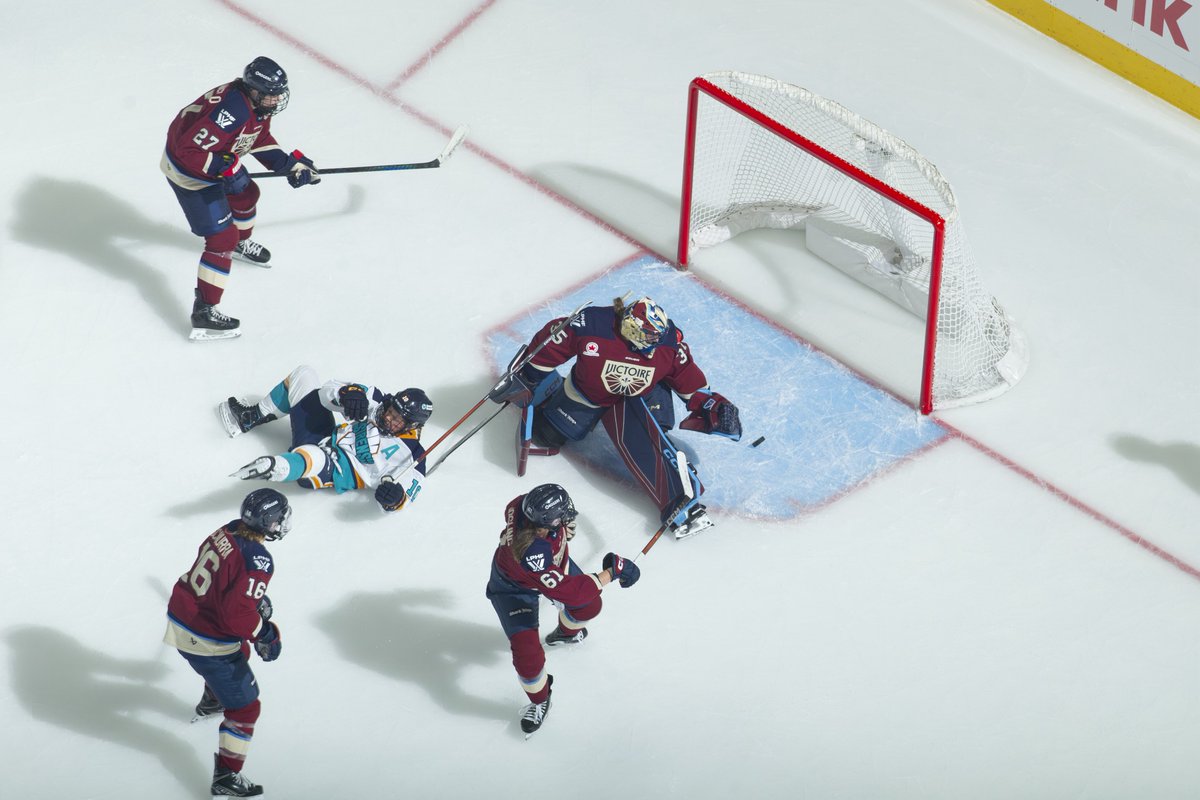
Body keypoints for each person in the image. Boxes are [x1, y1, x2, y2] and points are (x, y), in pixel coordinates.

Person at [489, 295, 742, 539]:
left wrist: (714, 406)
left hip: (642, 396)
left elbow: (686, 375)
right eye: (650, 335)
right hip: (587, 396)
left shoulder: (667, 341)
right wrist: (527, 376)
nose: (656, 341)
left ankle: (671, 480)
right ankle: (553, 399)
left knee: (650, 433)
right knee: (546, 436)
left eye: (658, 335)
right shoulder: (592, 323)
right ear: (632, 327)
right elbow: (551, 344)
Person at [161, 56, 322, 341]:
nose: (277, 100)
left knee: (248, 194)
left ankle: (240, 244)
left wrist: (289, 164)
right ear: (255, 91)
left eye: (279, 94)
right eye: (272, 95)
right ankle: (205, 311)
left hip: (212, 159)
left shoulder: (256, 105)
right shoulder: (231, 111)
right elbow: (189, 153)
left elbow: (256, 138)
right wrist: (224, 166)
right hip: (188, 172)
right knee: (221, 239)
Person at [163, 488, 292, 798]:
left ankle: (213, 700)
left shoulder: (229, 529)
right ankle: (226, 777)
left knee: (240, 650)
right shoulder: (259, 561)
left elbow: (223, 579)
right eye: (279, 518)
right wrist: (266, 632)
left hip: (183, 613)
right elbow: (237, 617)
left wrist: (250, 601)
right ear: (269, 522)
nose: (282, 523)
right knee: (247, 708)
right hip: (205, 637)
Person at [486, 484, 640, 737]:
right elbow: (570, 592)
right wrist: (613, 572)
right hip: (512, 588)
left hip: (546, 565)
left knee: (591, 606)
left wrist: (560, 530)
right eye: (563, 515)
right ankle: (540, 699)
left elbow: (513, 510)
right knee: (527, 658)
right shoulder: (534, 553)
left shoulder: (521, 505)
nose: (569, 514)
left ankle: (565, 634)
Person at [223, 365, 433, 514]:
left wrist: (395, 498)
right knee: (304, 374)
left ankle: (275, 467)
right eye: (391, 410)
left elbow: (408, 492)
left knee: (314, 456)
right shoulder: (379, 401)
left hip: (333, 469)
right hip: (324, 436)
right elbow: (325, 392)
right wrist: (346, 394)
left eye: (397, 419)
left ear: (412, 425)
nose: (388, 417)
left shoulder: (413, 454)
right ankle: (248, 418)